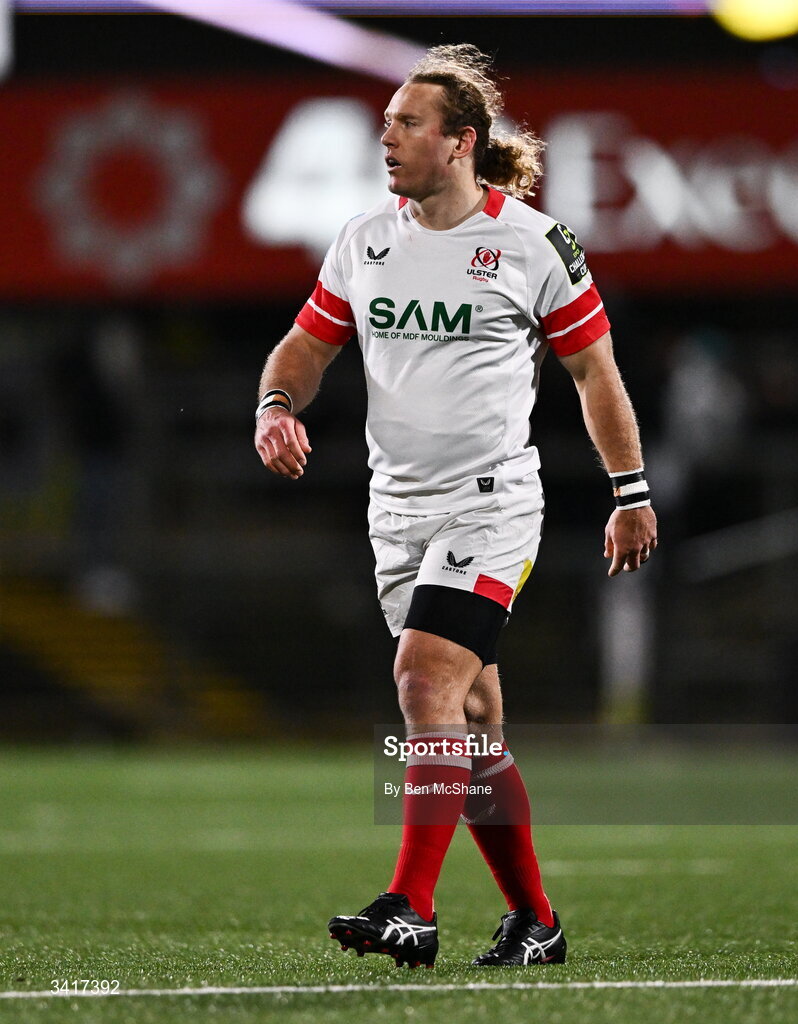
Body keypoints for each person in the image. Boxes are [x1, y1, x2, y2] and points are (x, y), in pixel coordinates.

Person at [254, 43, 657, 969]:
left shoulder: (532, 244)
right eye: (387, 121)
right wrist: (276, 406)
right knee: (473, 729)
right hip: (393, 510)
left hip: (492, 503)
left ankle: (412, 905)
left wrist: (630, 492)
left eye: (405, 122)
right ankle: (536, 923)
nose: (383, 134)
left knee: (421, 679)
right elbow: (304, 347)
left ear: (460, 142)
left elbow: (594, 370)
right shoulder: (365, 239)